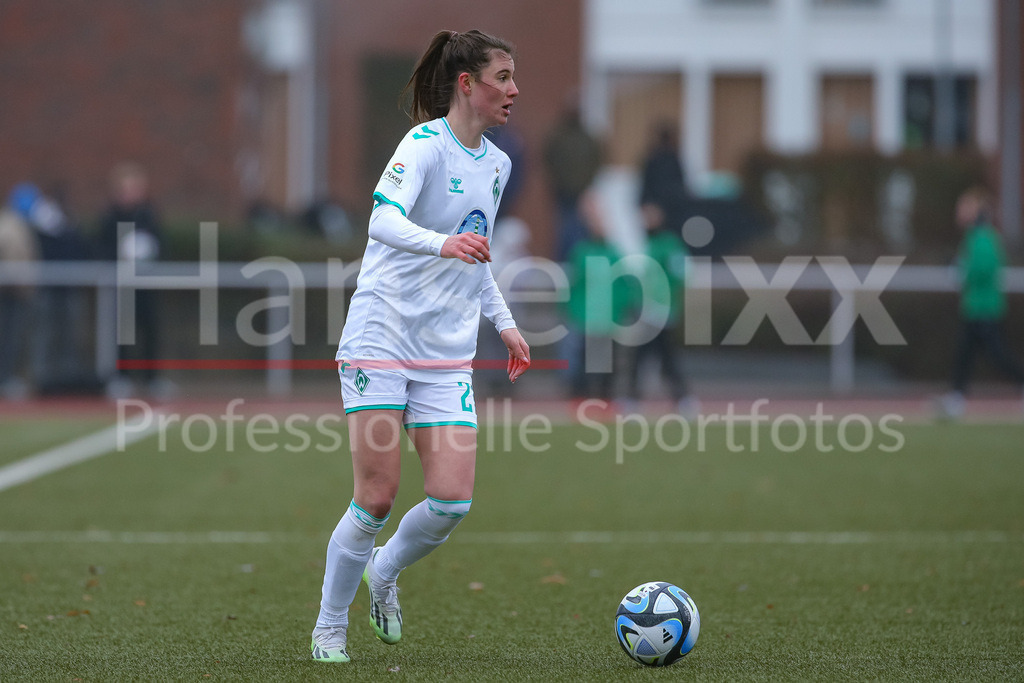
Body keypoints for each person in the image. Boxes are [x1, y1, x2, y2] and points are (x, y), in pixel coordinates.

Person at [310, 29, 530, 664]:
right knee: (376, 496)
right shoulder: (425, 145)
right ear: (468, 84)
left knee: (452, 500)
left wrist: (505, 321)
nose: (513, 90)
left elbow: (476, 249)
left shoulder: (499, 163)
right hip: (381, 336)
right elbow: (382, 219)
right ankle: (330, 626)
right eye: (503, 77)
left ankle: (384, 572)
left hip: (444, 351)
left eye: (515, 79)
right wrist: (442, 244)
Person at [627, 124, 699, 415]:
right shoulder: (653, 246)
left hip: (660, 310)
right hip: (653, 309)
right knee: (655, 355)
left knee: (656, 355)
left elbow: (678, 277)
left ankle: (667, 399)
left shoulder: (667, 246)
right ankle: (675, 399)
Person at [938, 187, 1024, 419]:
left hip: (985, 308)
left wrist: (958, 269)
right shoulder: (975, 237)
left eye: (964, 207)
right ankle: (956, 399)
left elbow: (980, 272)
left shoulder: (984, 238)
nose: (960, 212)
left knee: (999, 355)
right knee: (963, 355)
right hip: (974, 308)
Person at [96, 163, 170, 399]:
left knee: (150, 329)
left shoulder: (148, 214)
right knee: (122, 332)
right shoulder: (110, 216)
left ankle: (152, 379)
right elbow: (101, 248)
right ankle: (121, 378)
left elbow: (161, 244)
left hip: (146, 283)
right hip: (121, 285)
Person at [543, 104, 602, 262]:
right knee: (567, 228)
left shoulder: (585, 138)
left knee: (579, 227)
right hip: (564, 191)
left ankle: (577, 262)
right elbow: (548, 158)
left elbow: (597, 160)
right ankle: (567, 261)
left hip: (579, 191)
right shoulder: (560, 137)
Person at [0, 184, 39, 400]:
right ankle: (5, 379)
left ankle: (9, 378)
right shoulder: (8, 224)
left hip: (18, 292)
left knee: (16, 339)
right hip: (8, 292)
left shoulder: (23, 225)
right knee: (7, 338)